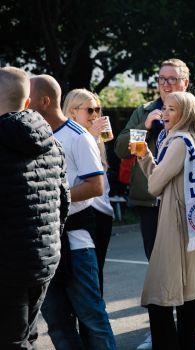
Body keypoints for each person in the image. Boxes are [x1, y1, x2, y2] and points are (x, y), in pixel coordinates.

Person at [114, 58, 195, 349]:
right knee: (162, 266)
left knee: (190, 270)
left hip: (183, 202)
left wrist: (191, 129)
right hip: (149, 202)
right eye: (162, 79)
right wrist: (144, 126)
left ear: (185, 83)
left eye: (173, 79)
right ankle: (166, 331)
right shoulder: (145, 111)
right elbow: (122, 148)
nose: (166, 84)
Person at [32, 74, 116, 350]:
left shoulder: (79, 137)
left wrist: (52, 198)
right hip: (45, 241)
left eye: (28, 99)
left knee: (92, 317)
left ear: (44, 101)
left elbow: (96, 185)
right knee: (55, 320)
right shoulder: (35, 135)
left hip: (76, 240)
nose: (24, 104)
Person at [133, 91, 195, 350]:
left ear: (185, 114)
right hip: (186, 219)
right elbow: (158, 178)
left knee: (160, 295)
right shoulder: (183, 138)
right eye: (164, 108)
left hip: (176, 221)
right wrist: (144, 156)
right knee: (187, 297)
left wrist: (147, 159)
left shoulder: (179, 141)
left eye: (172, 109)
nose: (165, 114)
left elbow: (155, 185)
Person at [0, 67, 69, 349]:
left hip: (8, 264)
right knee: (26, 336)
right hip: (43, 257)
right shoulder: (52, 142)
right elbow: (63, 202)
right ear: (27, 102)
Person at [62, 89, 114, 294]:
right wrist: (92, 137)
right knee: (87, 277)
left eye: (98, 109)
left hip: (103, 211)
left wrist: (96, 139)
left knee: (97, 272)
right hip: (86, 211)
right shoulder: (72, 138)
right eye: (90, 110)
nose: (95, 114)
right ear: (73, 112)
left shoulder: (94, 139)